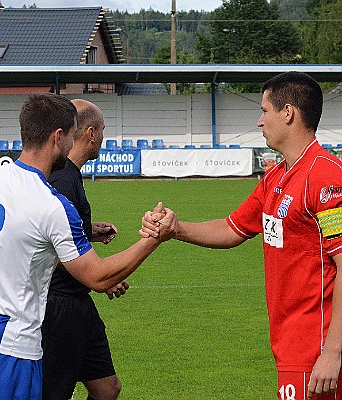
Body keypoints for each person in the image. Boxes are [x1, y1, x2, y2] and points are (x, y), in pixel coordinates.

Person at [0, 92, 175, 400]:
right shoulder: (51, 204)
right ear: (58, 137)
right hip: (7, 349)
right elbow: (98, 276)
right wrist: (153, 239)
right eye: (71, 134)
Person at [141, 71, 342, 400]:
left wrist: (333, 351)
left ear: (288, 113)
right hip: (289, 340)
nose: (260, 121)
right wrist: (175, 228)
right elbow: (233, 227)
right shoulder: (275, 176)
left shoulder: (325, 176)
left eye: (264, 111)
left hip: (315, 344)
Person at [42, 99, 124, 400]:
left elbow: (59, 230)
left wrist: (88, 231)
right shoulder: (63, 178)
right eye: (102, 130)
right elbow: (54, 246)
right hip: (57, 303)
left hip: (77, 302)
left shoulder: (69, 175)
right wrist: (99, 277)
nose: (103, 137)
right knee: (54, 392)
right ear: (90, 133)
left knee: (107, 388)